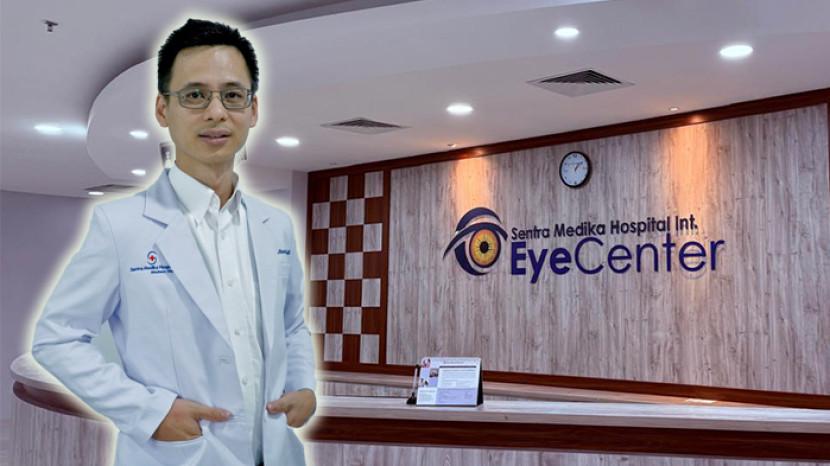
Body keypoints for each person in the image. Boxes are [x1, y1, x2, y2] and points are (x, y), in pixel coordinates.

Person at [31, 18, 317, 466]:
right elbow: (57, 339)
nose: (216, 112)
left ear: (253, 110)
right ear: (163, 110)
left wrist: (303, 385)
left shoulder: (275, 226)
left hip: (275, 453)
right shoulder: (121, 226)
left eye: (233, 95)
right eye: (195, 95)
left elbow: (292, 325)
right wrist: (150, 411)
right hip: (178, 455)